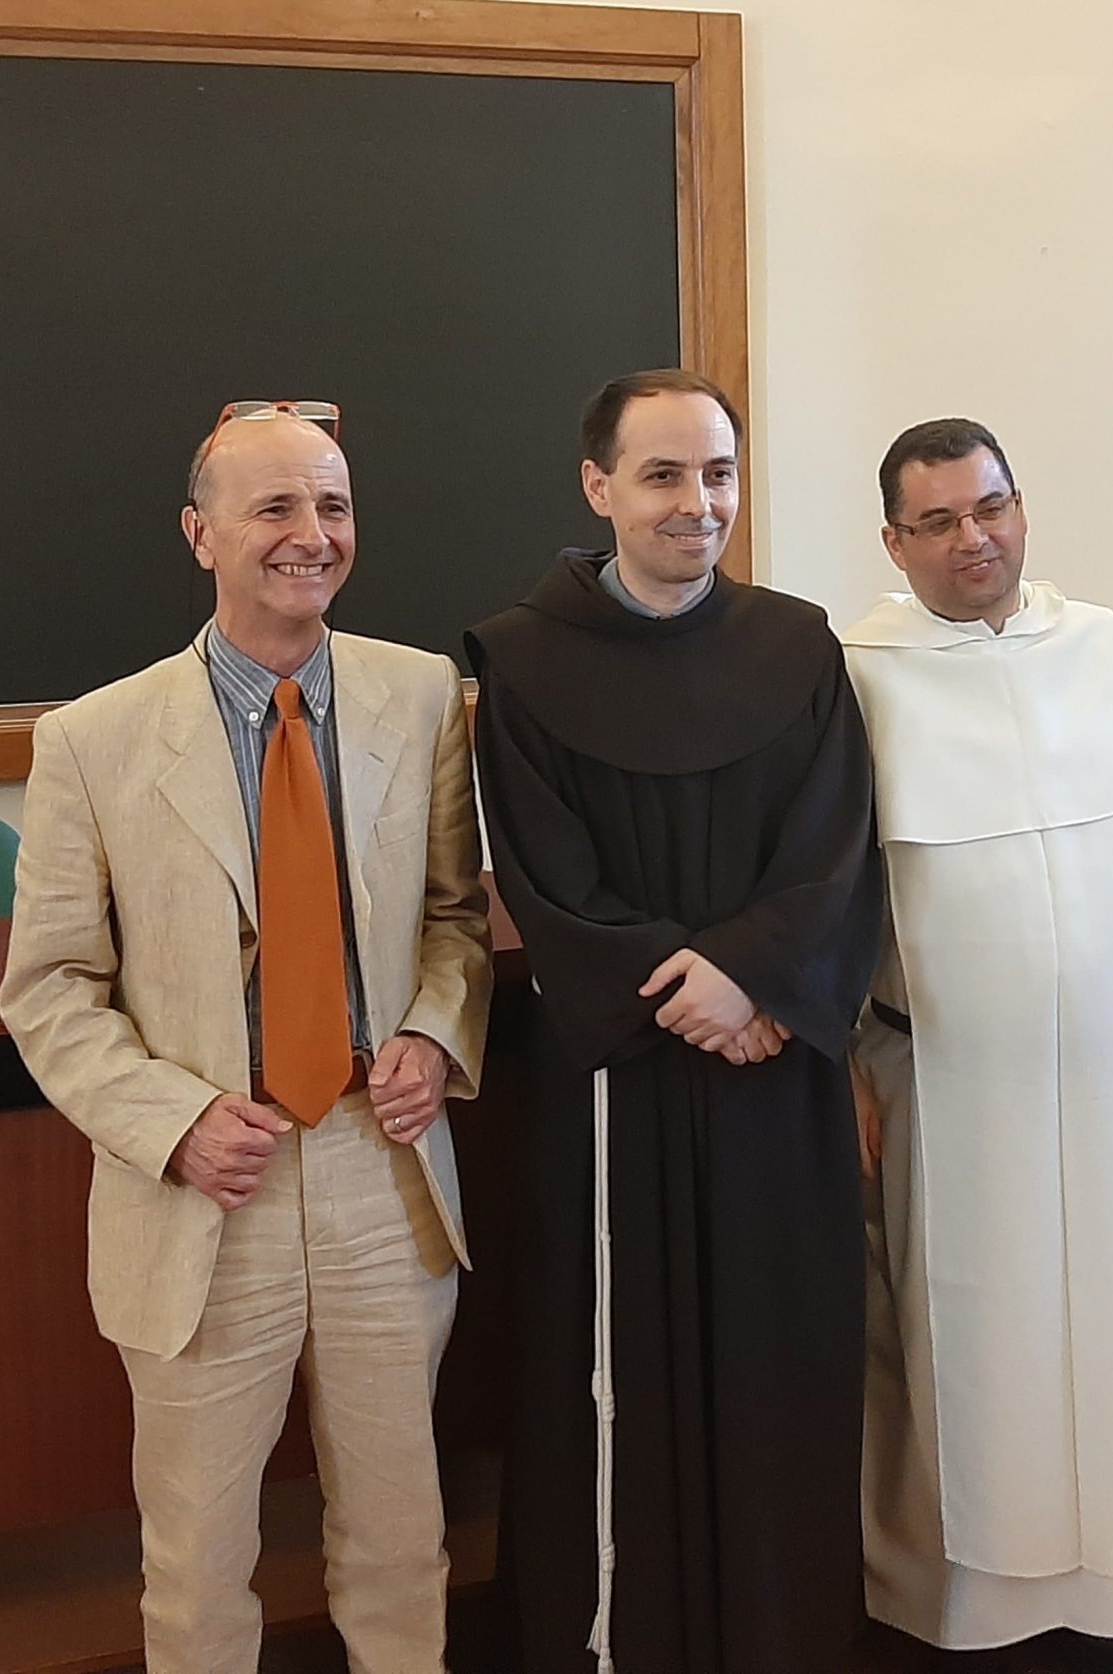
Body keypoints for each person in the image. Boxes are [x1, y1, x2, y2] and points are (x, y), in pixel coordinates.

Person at [0, 401, 492, 1674]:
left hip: (383, 1172)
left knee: (402, 1540)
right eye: (274, 506)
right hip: (206, 1194)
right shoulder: (92, 741)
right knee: (199, 1564)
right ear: (199, 533)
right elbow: (48, 988)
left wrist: (434, 1035)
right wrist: (171, 1124)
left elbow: (453, 920)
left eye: (331, 505)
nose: (308, 534)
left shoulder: (420, 697)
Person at [465, 369, 883, 1674]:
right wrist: (690, 989)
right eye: (661, 475)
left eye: (717, 473)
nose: (696, 503)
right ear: (598, 487)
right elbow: (543, 873)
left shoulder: (798, 646)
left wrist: (753, 980)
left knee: (777, 1361)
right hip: (621, 1079)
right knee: (616, 1371)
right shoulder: (522, 659)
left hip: (773, 1073)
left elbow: (836, 848)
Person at [842, 419, 1113, 1674]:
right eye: (937, 521)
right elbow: (820, 896)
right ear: (893, 543)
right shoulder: (851, 678)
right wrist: (837, 1066)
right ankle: (962, 1616)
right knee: (965, 1347)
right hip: (945, 1084)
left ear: (1021, 509)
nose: (972, 539)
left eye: (990, 508)